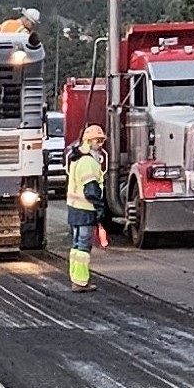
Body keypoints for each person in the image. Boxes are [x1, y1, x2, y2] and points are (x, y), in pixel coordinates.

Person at [65, 123, 108, 290]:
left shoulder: (76, 160)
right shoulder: (88, 162)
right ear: (90, 142)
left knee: (76, 245)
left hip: (75, 210)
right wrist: (99, 208)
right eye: (99, 141)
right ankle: (81, 282)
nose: (100, 145)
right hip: (85, 210)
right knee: (83, 246)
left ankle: (76, 278)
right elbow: (91, 190)